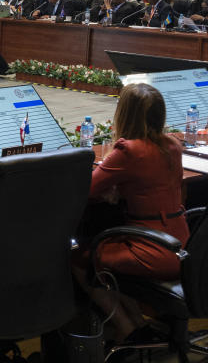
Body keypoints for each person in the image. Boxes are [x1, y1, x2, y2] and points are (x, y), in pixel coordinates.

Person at [79, 83, 188, 341]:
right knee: (110, 252)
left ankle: (126, 329)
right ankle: (138, 324)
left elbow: (87, 190)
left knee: (80, 258)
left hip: (151, 249)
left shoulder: (128, 150)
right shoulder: (173, 144)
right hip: (182, 246)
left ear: (125, 113)